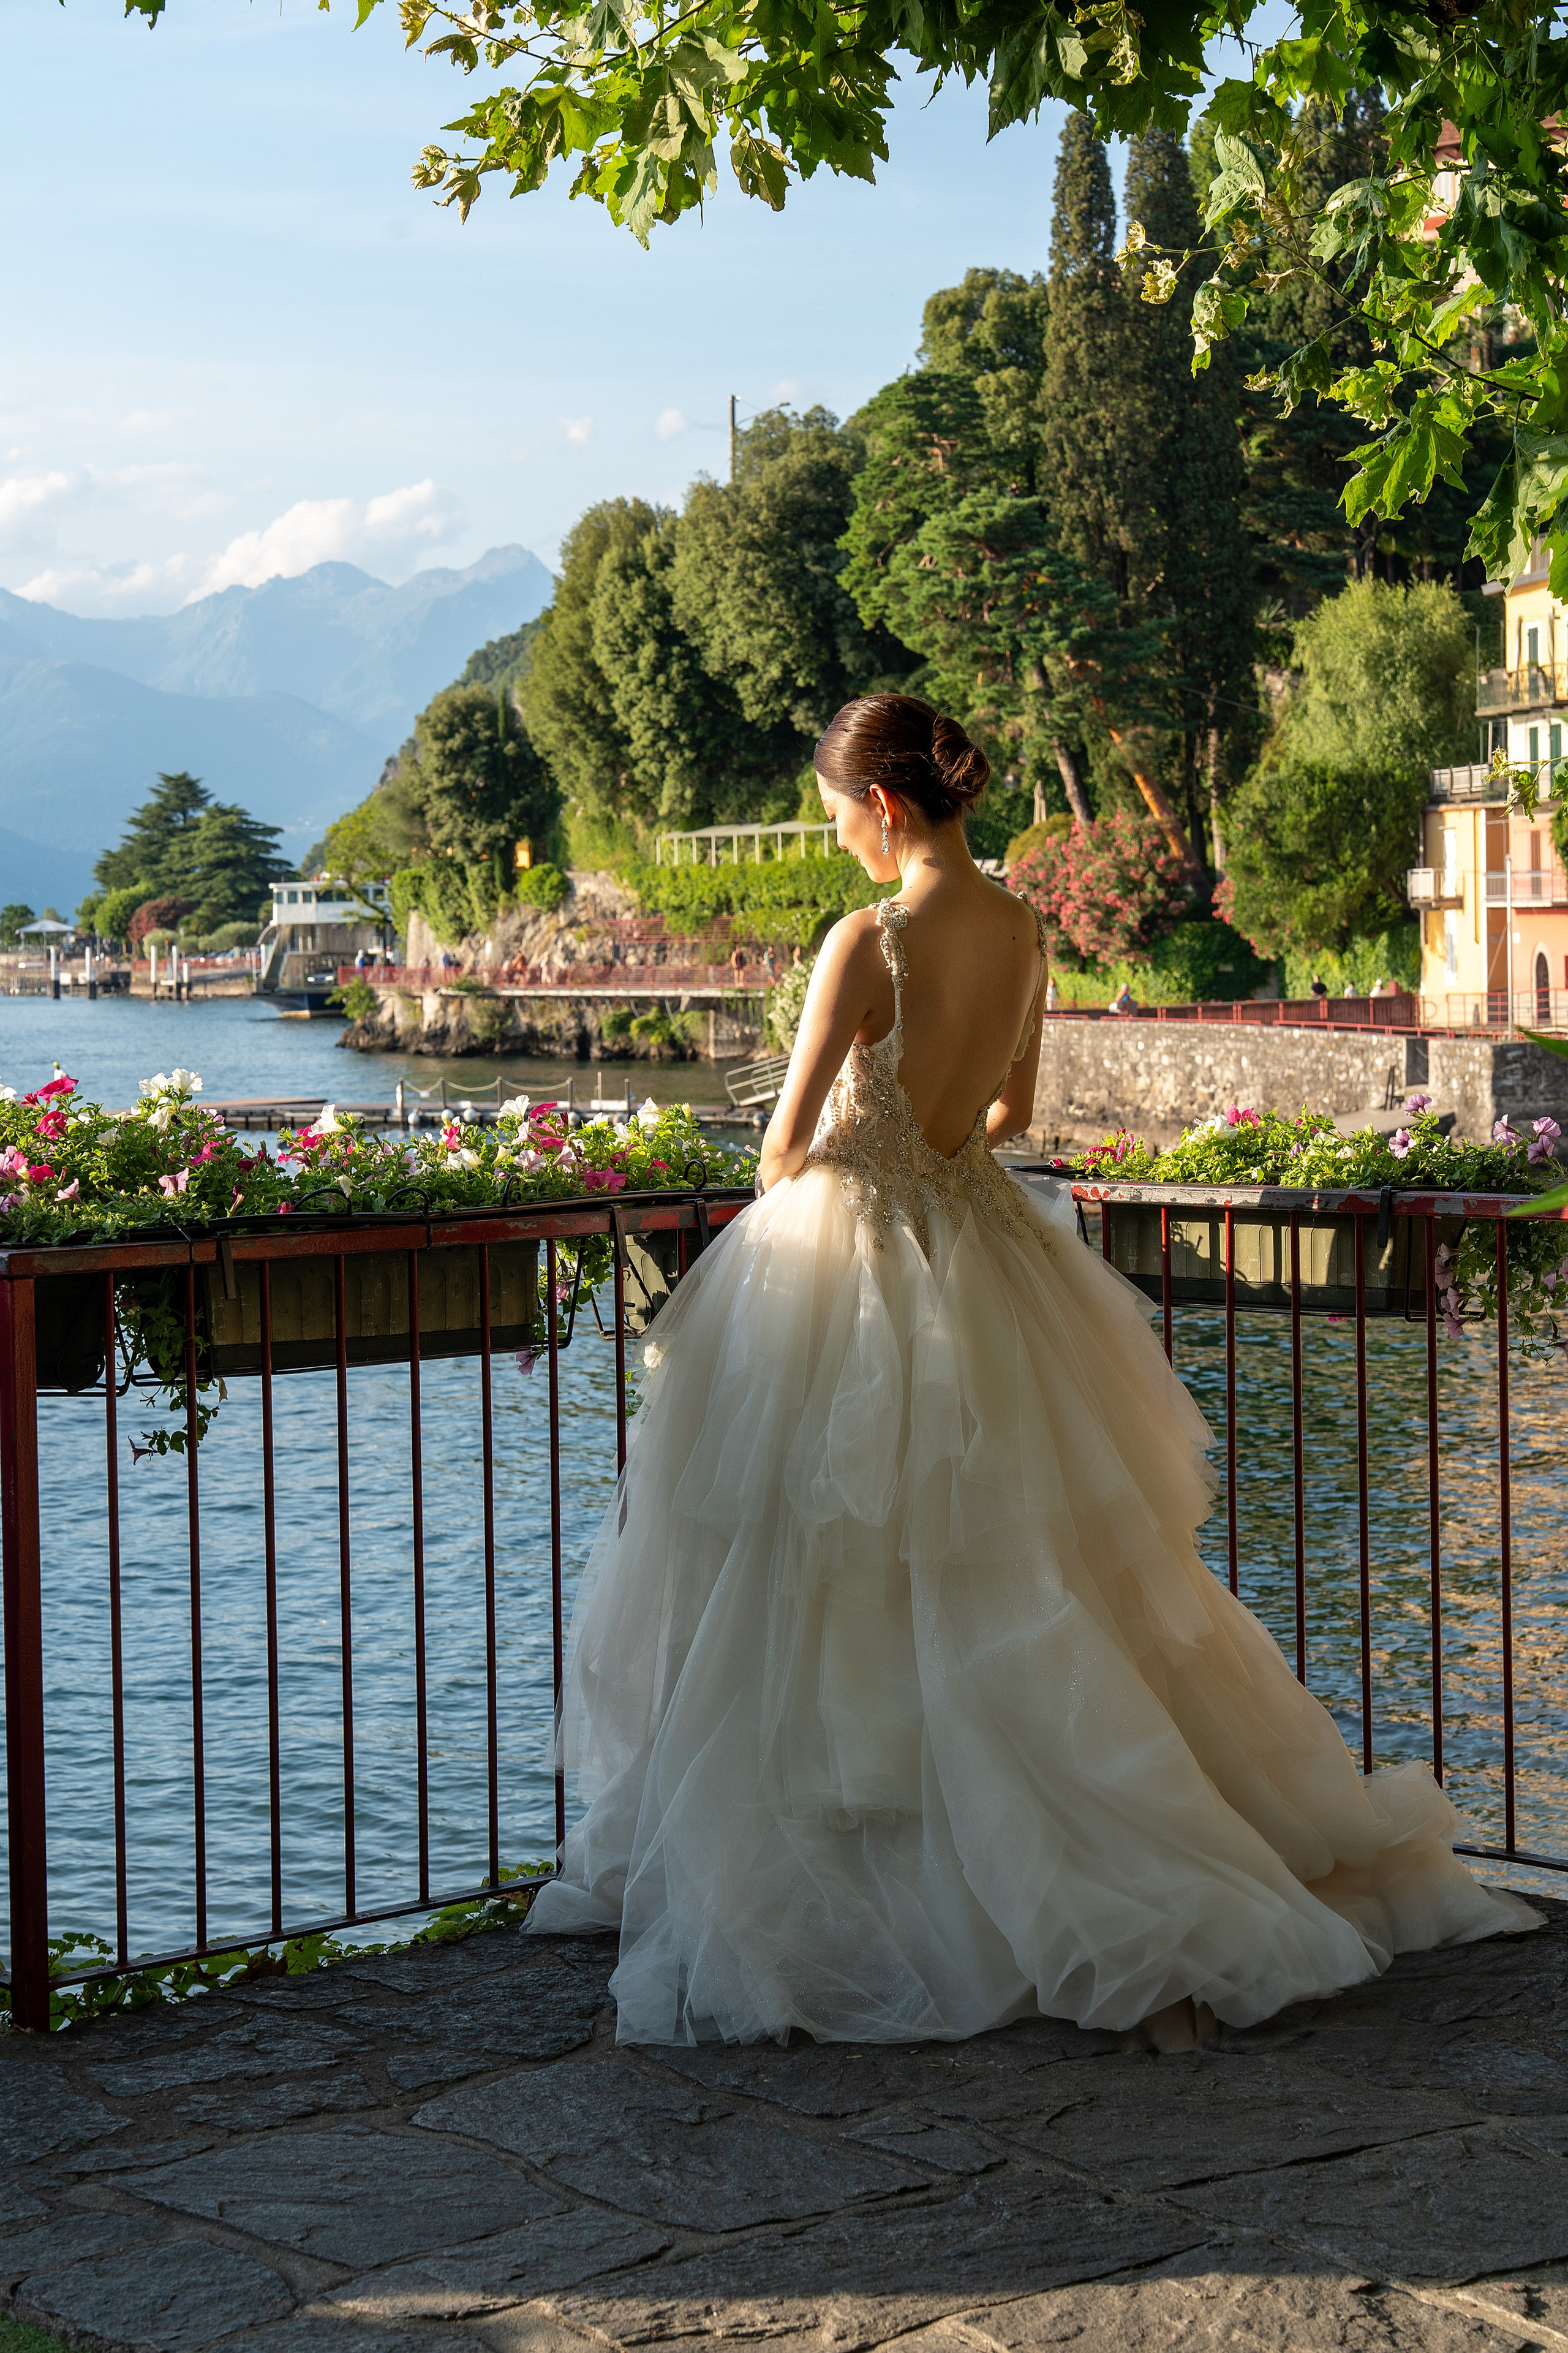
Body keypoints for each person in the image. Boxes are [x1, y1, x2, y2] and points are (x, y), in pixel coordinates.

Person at [529, 691, 1536, 2049]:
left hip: (858, 1253)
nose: (839, 843)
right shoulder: (1021, 927)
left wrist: (838, 1136)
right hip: (986, 1247)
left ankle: (888, 1856)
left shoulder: (863, 940)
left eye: (836, 817)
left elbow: (776, 1158)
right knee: (1034, 1569)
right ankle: (1101, 1850)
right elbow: (1007, 1114)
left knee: (832, 1567)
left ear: (881, 803)